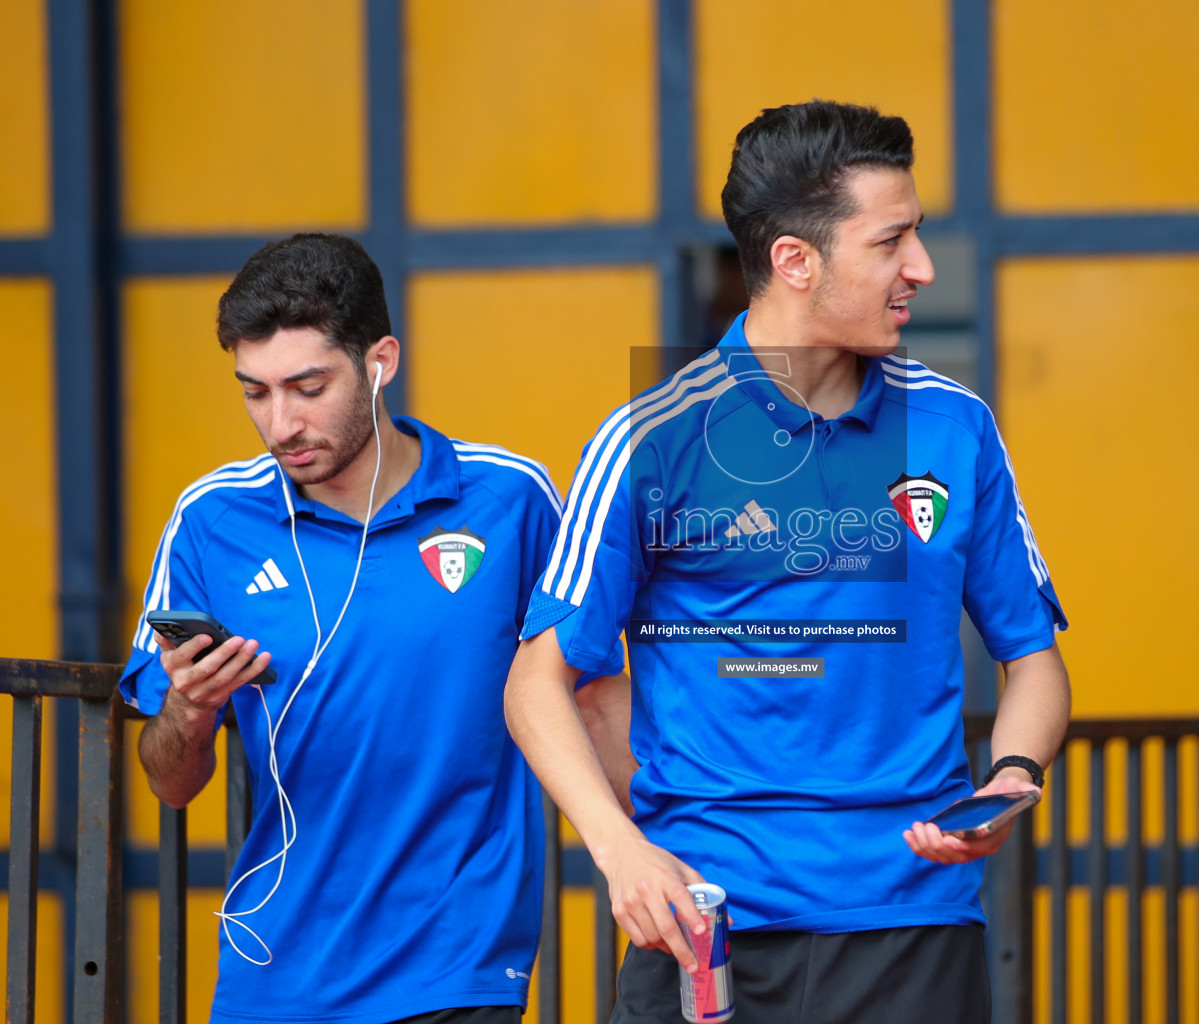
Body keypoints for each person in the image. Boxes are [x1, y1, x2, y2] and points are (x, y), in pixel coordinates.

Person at [504, 100, 1071, 1024]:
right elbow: (538, 682)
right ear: (795, 262)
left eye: (917, 236)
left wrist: (1014, 775)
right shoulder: (651, 439)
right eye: (892, 242)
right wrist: (619, 850)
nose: (921, 269)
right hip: (706, 925)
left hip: (914, 929)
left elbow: (1034, 662)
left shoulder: (955, 426)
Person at [121, 233, 621, 1024]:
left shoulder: (510, 497)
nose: (280, 422)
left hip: (458, 963)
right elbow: (169, 781)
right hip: (272, 970)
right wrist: (191, 707)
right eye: (255, 393)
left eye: (307, 386)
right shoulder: (211, 519)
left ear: (380, 361)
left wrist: (673, 849)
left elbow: (589, 698)